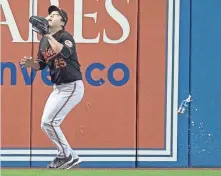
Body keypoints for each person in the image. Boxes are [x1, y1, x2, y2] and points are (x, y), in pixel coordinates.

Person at [20, 5, 84, 169]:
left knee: (50, 122)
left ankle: (66, 155)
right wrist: (31, 64)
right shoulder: (43, 40)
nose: (49, 17)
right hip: (59, 88)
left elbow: (63, 52)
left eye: (55, 15)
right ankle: (70, 156)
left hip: (72, 86)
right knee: (46, 123)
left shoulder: (65, 36)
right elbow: (40, 65)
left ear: (62, 22)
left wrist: (47, 34)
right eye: (49, 15)